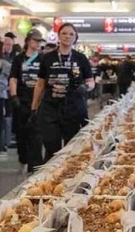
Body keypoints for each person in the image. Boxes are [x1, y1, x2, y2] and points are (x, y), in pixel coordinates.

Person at [33, 22, 95, 156]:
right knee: (51, 146)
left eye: (71, 34)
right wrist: (34, 108)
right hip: (51, 107)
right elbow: (40, 84)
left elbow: (90, 81)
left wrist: (86, 87)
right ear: (58, 36)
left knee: (71, 148)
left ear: (75, 37)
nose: (67, 36)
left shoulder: (81, 58)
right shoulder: (47, 58)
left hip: (73, 108)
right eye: (64, 33)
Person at [9, 31, 46, 172]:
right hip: (22, 99)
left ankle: (35, 164)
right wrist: (14, 96)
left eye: (39, 41)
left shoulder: (43, 59)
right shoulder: (19, 59)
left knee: (37, 133)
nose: (38, 43)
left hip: (37, 100)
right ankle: (23, 158)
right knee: (22, 133)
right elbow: (13, 78)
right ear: (28, 41)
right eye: (35, 40)